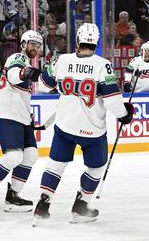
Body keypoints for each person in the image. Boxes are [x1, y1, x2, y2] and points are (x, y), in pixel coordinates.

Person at [32, 23, 133, 224]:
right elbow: (112, 99)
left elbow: (43, 86)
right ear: (96, 42)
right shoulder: (103, 65)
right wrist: (124, 114)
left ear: (77, 41)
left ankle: (42, 206)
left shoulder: (62, 60)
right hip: (92, 130)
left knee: (55, 165)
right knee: (96, 167)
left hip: (65, 126)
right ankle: (80, 206)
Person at [0, 30, 43, 213]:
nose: (35, 48)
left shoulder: (27, 62)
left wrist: (28, 115)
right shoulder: (17, 58)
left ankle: (13, 197)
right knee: (14, 156)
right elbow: (14, 75)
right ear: (23, 44)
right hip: (5, 112)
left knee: (31, 155)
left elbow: (25, 92)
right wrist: (30, 73)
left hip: (20, 115)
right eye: (32, 44)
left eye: (38, 45)